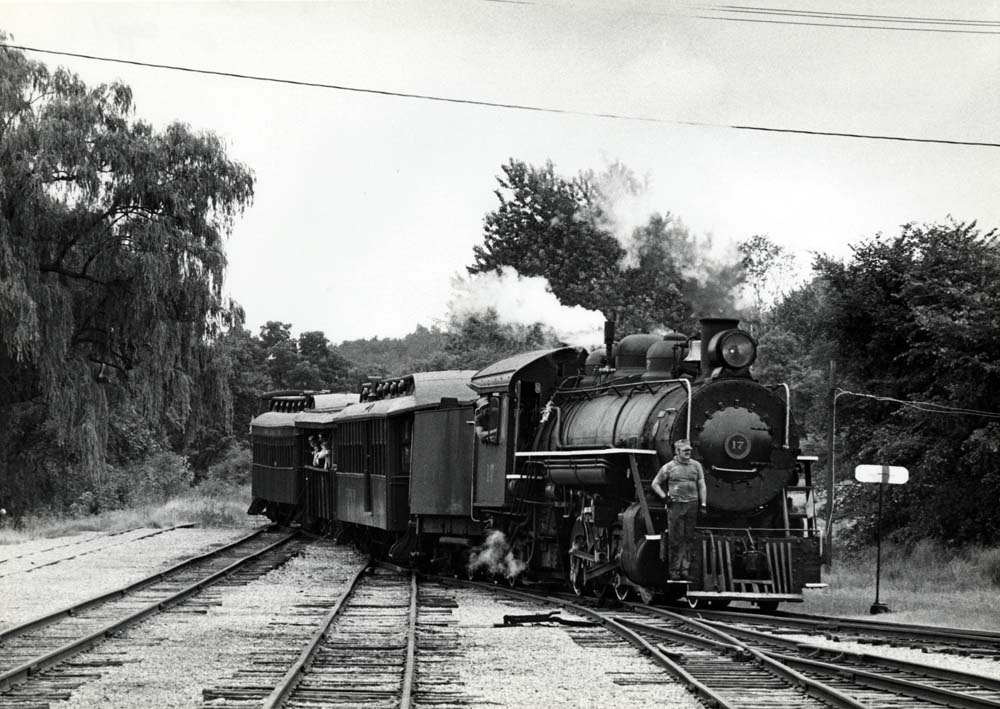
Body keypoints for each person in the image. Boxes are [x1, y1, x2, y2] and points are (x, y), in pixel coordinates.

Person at [651, 439, 707, 581]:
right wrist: (665, 498)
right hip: (676, 505)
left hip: (692, 504)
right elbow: (655, 483)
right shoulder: (668, 467)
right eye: (685, 450)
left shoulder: (696, 466)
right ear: (677, 452)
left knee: (688, 537)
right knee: (676, 538)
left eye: (689, 450)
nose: (688, 452)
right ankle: (674, 570)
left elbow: (701, 484)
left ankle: (685, 569)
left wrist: (703, 504)